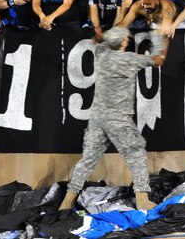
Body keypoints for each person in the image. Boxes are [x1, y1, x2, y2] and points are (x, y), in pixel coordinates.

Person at [58, 27, 165, 211]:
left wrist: (100, 37)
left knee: (87, 160)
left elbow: (101, 42)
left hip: (97, 118)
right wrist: (162, 39)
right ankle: (142, 199)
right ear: (123, 41)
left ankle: (67, 201)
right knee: (136, 154)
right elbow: (158, 60)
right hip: (118, 119)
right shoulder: (127, 59)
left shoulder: (101, 55)